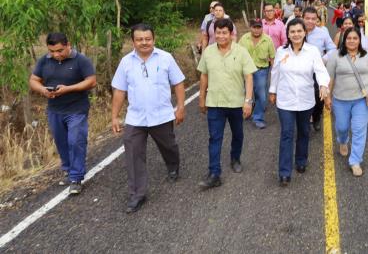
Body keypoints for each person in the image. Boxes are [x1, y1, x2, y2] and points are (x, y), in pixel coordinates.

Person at [111, 24, 186, 213]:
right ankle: (138, 194)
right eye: (139, 39)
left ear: (154, 39)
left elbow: (178, 83)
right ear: (133, 41)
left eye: (147, 39)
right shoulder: (126, 62)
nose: (144, 42)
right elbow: (120, 91)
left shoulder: (166, 58)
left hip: (161, 115)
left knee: (168, 146)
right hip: (135, 118)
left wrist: (181, 107)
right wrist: (114, 116)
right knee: (133, 154)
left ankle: (173, 166)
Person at [29, 33, 97, 195]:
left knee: (75, 141)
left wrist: (69, 89)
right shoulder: (44, 61)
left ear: (68, 45)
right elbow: (33, 80)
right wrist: (43, 90)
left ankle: (76, 178)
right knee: (62, 142)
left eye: (60, 50)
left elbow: (92, 81)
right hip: (55, 109)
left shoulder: (81, 60)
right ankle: (68, 169)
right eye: (52, 51)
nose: (56, 54)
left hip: (76, 108)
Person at [269, 18, 330, 186]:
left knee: (304, 132)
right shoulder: (281, 51)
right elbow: (275, 72)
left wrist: (324, 85)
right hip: (285, 101)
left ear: (304, 33)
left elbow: (320, 70)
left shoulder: (312, 51)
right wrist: (272, 90)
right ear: (288, 34)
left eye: (299, 31)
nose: (296, 34)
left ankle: (301, 160)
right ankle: (284, 172)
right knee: (287, 134)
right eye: (292, 31)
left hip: (305, 100)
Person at [197, 19, 257, 189]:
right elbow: (204, 76)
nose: (221, 36)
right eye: (218, 32)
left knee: (238, 134)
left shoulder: (241, 52)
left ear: (231, 34)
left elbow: (249, 77)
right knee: (214, 138)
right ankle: (214, 173)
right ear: (214, 33)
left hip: (237, 103)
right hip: (215, 102)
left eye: (224, 33)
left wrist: (248, 101)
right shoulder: (208, 52)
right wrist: (202, 97)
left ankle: (235, 158)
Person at [325, 27, 368, 176]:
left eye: (355, 38)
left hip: (362, 100)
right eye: (348, 38)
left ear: (360, 40)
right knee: (341, 127)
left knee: (359, 130)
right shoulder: (335, 56)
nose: (351, 41)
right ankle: (343, 140)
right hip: (340, 99)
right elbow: (330, 79)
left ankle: (355, 161)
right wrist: (328, 97)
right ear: (343, 40)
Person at [303, 6, 337, 131]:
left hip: (317, 71)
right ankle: (305, 121)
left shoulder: (322, 33)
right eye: (307, 18)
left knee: (319, 97)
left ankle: (316, 117)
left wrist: (323, 60)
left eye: (313, 19)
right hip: (300, 71)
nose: (310, 21)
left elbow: (333, 49)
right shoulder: (296, 30)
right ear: (303, 18)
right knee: (303, 96)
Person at [239, 19, 276, 129]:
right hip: (246, 71)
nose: (256, 30)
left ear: (262, 27)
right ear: (250, 27)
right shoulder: (243, 39)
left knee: (261, 95)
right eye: (254, 27)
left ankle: (258, 117)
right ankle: (247, 110)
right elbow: (237, 54)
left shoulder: (268, 39)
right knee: (245, 93)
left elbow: (272, 57)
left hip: (261, 70)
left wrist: (274, 74)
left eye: (258, 27)